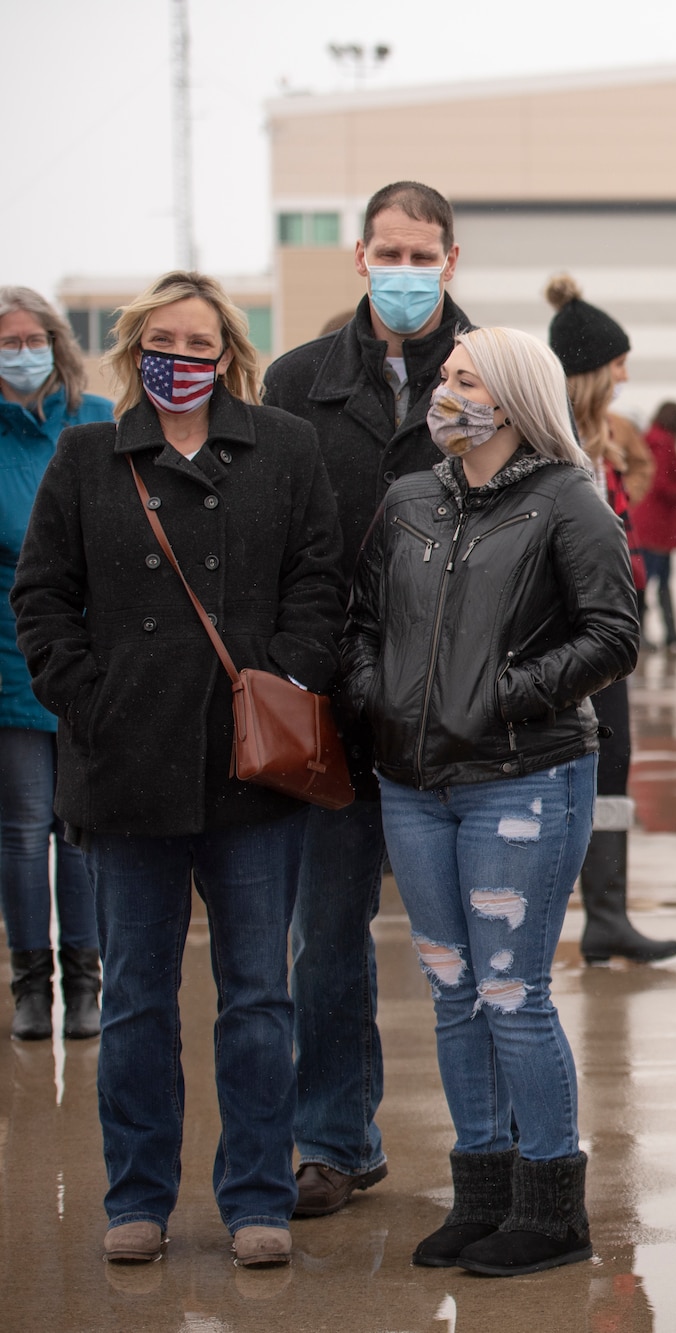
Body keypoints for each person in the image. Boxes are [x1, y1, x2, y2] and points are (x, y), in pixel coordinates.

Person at [12, 270, 345, 1267]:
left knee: (254, 995)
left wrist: (284, 674)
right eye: (161, 341)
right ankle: (139, 1194)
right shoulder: (85, 457)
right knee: (139, 997)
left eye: (199, 344)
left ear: (227, 354)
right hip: (127, 770)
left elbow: (318, 580)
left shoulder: (285, 449)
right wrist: (91, 699)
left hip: (251, 765)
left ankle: (255, 1197)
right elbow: (42, 597)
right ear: (130, 349)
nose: (180, 360)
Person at [344, 326, 640, 1275]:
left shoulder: (568, 500)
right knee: (451, 990)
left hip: (526, 779)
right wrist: (382, 696)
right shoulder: (407, 501)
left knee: (513, 993)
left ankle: (553, 1206)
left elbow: (613, 634)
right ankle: (482, 1190)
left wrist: (502, 695)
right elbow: (360, 624)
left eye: (464, 379)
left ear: (510, 398)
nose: (444, 391)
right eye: (444, 377)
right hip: (414, 782)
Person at [262, 179, 476, 1218]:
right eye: (386, 253)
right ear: (360, 259)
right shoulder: (297, 382)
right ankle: (333, 1139)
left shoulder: (494, 372)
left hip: (462, 712)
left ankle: (501, 1148)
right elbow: (266, 539)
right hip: (336, 713)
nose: (403, 271)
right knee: (329, 938)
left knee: (477, 946)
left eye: (420, 253)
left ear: (450, 257)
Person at [547, 276, 676, 967]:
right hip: (567, 641)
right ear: (588, 370)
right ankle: (560, 915)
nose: (626, 374)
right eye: (617, 362)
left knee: (613, 767)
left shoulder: (598, 444)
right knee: (562, 774)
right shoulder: (549, 442)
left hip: (610, 642)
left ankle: (608, 913)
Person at [0, 287, 110, 1042]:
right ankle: (30, 982)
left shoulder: (96, 420)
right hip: (9, 658)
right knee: (22, 825)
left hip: (91, 661)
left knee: (78, 826)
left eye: (34, 337)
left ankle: (86, 977)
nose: (23, 351)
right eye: (8, 340)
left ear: (57, 342)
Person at [632, 400, 676, 652]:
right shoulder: (661, 443)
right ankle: (655, 634)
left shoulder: (656, 439)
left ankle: (660, 633)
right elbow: (661, 484)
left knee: (651, 581)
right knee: (653, 581)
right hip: (655, 526)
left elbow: (670, 476)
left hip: (653, 525)